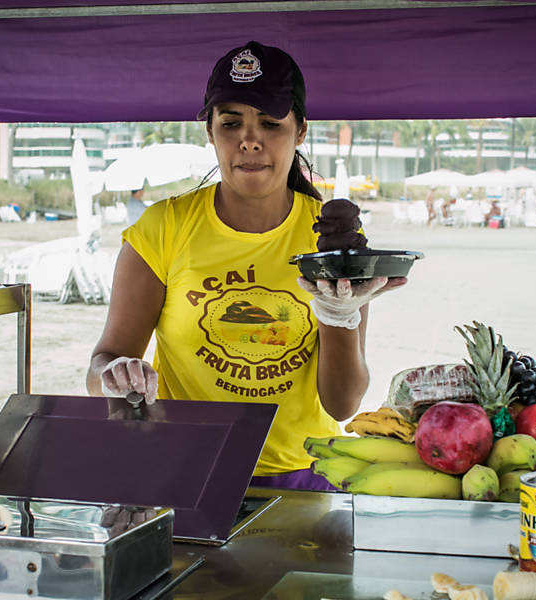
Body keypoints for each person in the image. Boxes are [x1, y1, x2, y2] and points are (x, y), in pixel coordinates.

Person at [86, 41, 405, 491]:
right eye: (231, 122)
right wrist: (115, 376)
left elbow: (342, 404)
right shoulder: (163, 228)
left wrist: (339, 315)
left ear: (300, 131)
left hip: (304, 475)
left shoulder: (332, 238)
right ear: (210, 132)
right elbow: (102, 364)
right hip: (184, 470)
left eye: (270, 124)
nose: (249, 140)